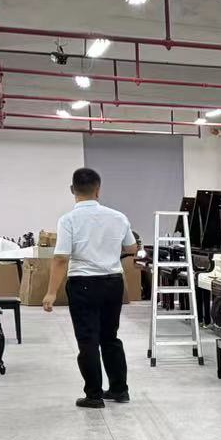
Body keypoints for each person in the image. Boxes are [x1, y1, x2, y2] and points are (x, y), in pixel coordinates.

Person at [42, 167, 136, 408]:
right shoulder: (118, 217)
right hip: (113, 282)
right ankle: (119, 390)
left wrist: (51, 292)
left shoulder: (68, 220)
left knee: (88, 339)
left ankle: (94, 395)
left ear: (72, 190)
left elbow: (61, 258)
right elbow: (132, 248)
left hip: (83, 284)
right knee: (110, 337)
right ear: (98, 190)